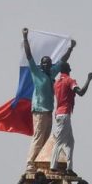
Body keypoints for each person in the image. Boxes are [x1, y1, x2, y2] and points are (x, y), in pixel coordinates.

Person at [22, 27, 76, 173]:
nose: (46, 65)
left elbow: (63, 62)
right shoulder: (37, 73)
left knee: (46, 139)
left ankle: (41, 164)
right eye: (44, 63)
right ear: (41, 65)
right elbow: (29, 56)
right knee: (38, 137)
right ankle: (30, 164)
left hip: (49, 111)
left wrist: (70, 49)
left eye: (48, 63)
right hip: (39, 111)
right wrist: (25, 38)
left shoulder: (51, 73)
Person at [50, 63, 92, 177]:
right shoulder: (69, 80)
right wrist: (88, 80)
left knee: (70, 142)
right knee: (59, 142)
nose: (71, 69)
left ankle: (69, 168)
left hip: (60, 114)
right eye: (69, 68)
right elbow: (81, 92)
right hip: (64, 115)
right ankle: (53, 167)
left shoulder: (57, 83)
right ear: (68, 70)